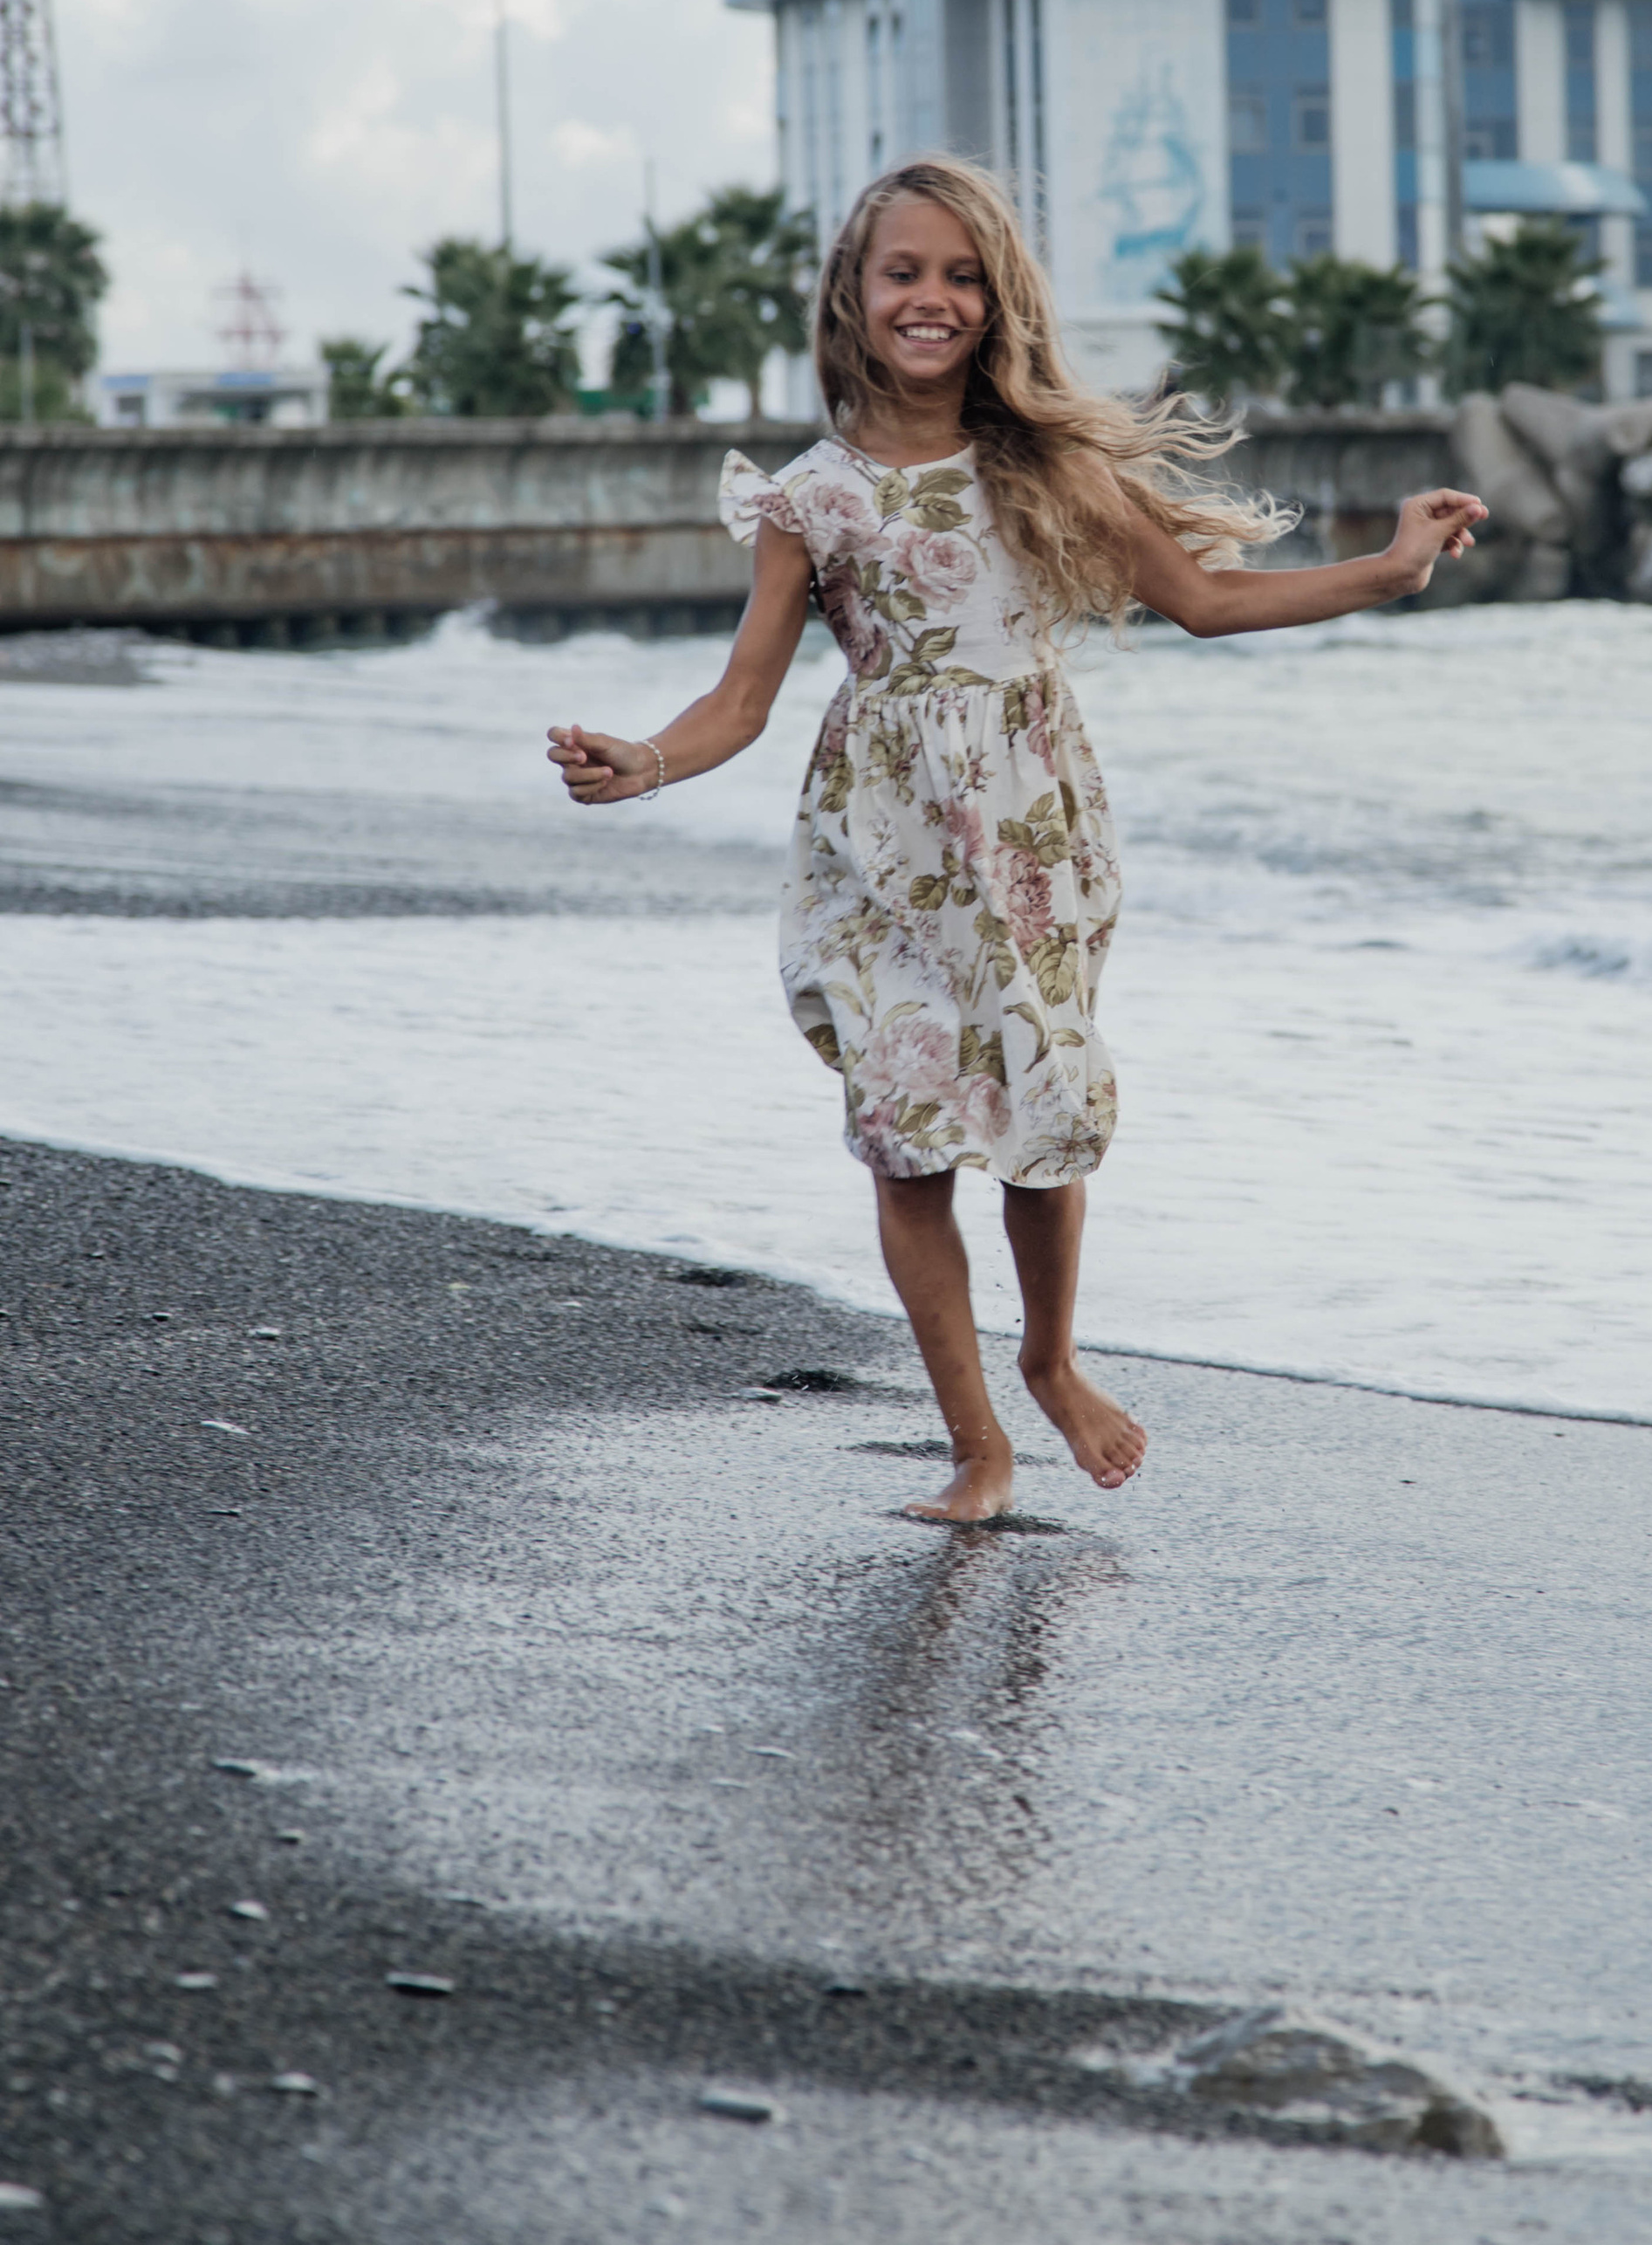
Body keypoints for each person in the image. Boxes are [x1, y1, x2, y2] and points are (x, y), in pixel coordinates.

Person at [548, 157, 1485, 1525]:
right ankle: (976, 1444)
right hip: (878, 847)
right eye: (905, 273)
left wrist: (1389, 570)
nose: (933, 299)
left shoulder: (1040, 462)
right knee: (904, 1132)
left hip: (1029, 830)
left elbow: (1205, 603)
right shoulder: (807, 499)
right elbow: (740, 701)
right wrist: (648, 760)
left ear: (999, 302)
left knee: (1043, 1115)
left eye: (962, 276)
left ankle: (1050, 1358)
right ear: (852, 300)